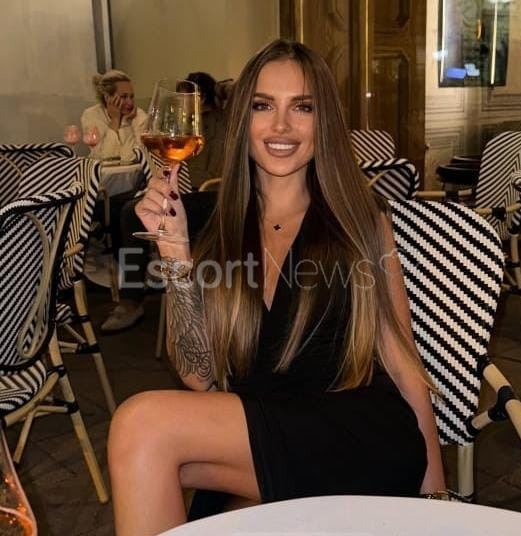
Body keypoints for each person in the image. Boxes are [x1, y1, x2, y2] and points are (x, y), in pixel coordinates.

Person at [107, 40, 445, 536]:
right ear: (242, 119)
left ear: (323, 122)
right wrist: (175, 252)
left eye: (302, 107)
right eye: (263, 106)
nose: (281, 126)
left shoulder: (358, 220)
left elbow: (402, 362)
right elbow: (199, 379)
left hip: (357, 436)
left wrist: (436, 497)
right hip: (260, 431)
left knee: (140, 426)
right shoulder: (209, 223)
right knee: (150, 455)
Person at [100, 72, 227, 332]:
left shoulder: (221, 125)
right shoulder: (182, 122)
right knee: (118, 206)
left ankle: (131, 298)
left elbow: (217, 171)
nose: (182, 103)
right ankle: (134, 281)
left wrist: (181, 173)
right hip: (182, 189)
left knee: (131, 213)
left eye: (186, 98)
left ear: (202, 98)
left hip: (209, 194)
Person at [81, 69, 147, 161]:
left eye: (131, 97)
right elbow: (105, 157)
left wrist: (125, 123)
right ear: (107, 98)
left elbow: (132, 158)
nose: (130, 103)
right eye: (124, 97)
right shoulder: (91, 115)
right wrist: (115, 121)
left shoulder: (140, 116)